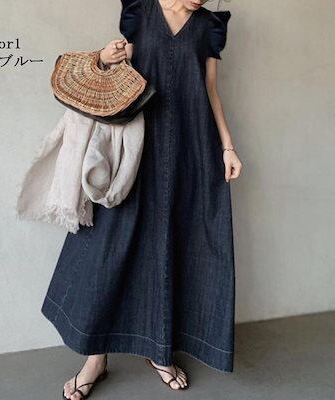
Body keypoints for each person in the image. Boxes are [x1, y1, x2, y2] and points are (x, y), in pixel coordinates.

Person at [41, 1, 242, 398]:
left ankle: (159, 351)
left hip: (190, 148)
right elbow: (118, 66)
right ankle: (95, 359)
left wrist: (227, 147)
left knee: (175, 246)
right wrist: (104, 56)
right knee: (108, 247)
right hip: (134, 150)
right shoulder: (139, 9)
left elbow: (210, 90)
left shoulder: (209, 26)